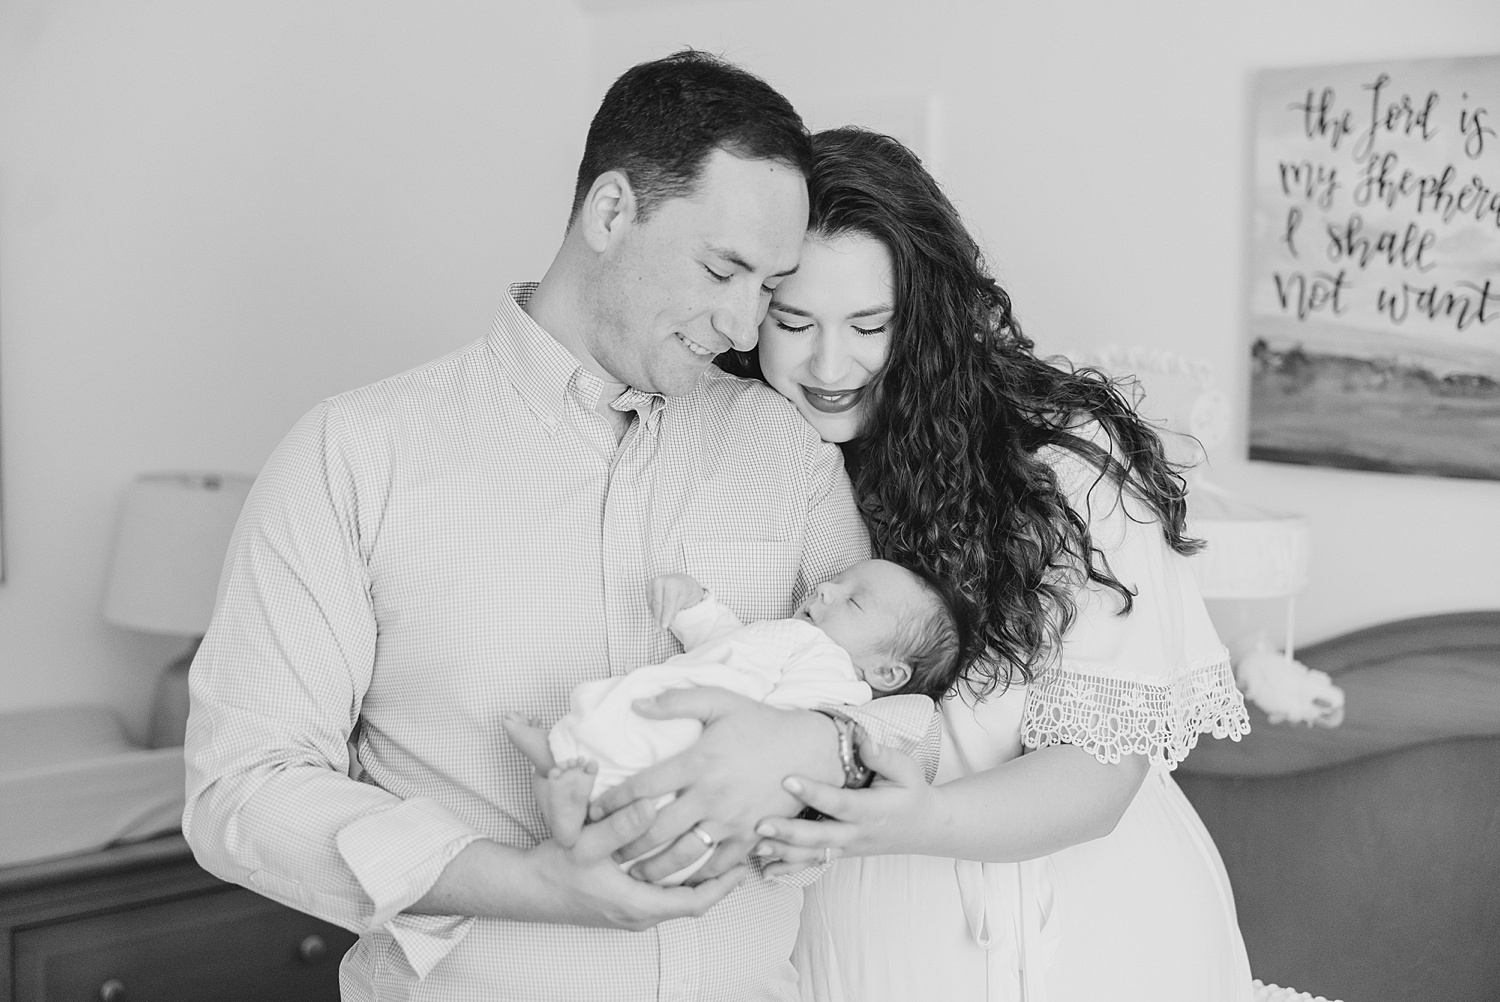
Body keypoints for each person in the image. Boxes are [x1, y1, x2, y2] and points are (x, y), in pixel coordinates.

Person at [182, 56, 937, 1001]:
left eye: (770, 284)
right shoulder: (355, 454)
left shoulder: (783, 447)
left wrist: (819, 745)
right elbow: (242, 788)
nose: (747, 328)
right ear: (611, 212)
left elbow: (901, 701)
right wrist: (525, 884)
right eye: (723, 269)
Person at [723, 126, 1255, 999]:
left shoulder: (1062, 464)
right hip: (841, 931)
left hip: (1094, 934)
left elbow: (1099, 773)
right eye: (792, 322)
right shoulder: (737, 457)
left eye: (870, 324)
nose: (828, 364)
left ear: (926, 319)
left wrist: (922, 817)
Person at [538, 560, 961, 887]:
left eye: (852, 600)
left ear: (889, 674)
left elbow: (782, 728)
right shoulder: (794, 639)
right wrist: (693, 603)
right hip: (690, 745)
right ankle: (568, 802)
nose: (825, 589)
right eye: (834, 581)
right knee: (604, 740)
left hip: (705, 752)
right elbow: (732, 644)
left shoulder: (834, 678)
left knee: (626, 743)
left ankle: (568, 795)